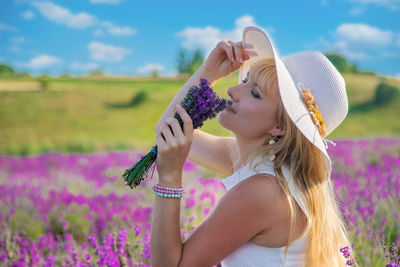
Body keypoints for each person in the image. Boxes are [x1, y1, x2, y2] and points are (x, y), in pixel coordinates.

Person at [150, 26, 357, 267]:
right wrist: (208, 73)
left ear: (279, 126)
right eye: (245, 81)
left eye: (255, 93)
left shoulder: (263, 192)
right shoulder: (261, 166)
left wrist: (170, 175)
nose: (232, 90)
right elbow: (167, 130)